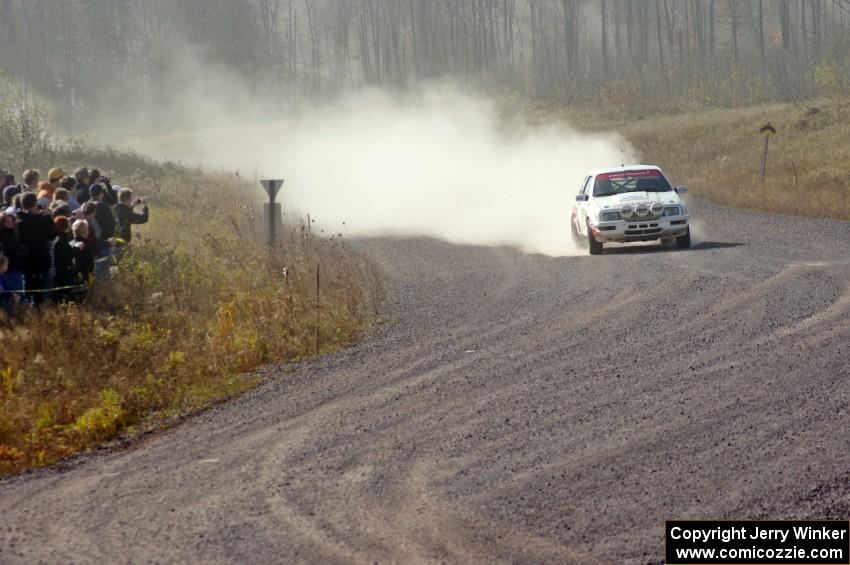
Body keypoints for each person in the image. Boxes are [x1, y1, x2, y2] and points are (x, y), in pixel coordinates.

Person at [17, 192, 54, 304]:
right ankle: (41, 307)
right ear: (34, 204)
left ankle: (29, 304)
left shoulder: (19, 221)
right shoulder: (41, 220)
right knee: (43, 287)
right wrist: (48, 217)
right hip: (41, 258)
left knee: (29, 285)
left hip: (27, 258)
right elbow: (51, 235)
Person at [0, 210, 26, 306]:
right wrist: (22, 250)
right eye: (8, 222)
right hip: (11, 269)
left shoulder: (13, 234)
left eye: (12, 222)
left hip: (13, 269)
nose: (11, 224)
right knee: (15, 297)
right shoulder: (5, 236)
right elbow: (14, 250)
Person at [51, 216, 76, 300]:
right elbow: (66, 257)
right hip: (64, 274)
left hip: (61, 273)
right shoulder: (61, 241)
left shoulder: (59, 239)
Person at [70, 219, 95, 288]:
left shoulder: (71, 243)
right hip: (84, 275)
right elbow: (89, 261)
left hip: (73, 275)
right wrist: (92, 269)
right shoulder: (84, 244)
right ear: (85, 231)